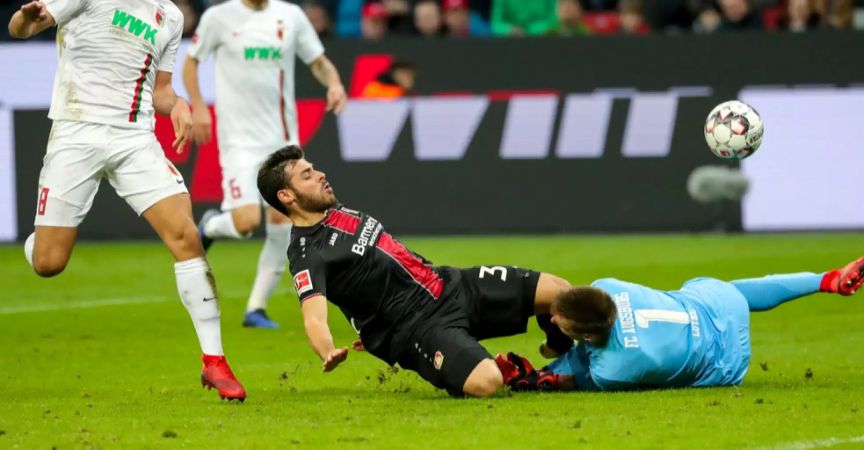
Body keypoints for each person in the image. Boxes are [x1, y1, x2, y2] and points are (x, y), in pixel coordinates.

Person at [8, 0, 245, 400]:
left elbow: (162, 90)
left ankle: (215, 361)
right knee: (49, 263)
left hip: (134, 139)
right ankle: (38, 240)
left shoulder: (169, 16)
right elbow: (25, 28)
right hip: (77, 133)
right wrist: (23, 19)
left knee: (186, 237)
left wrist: (181, 104)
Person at [256, 146, 577, 397]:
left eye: (314, 168)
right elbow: (313, 316)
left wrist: (369, 323)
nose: (321, 174)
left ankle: (559, 348)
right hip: (419, 328)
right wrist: (328, 350)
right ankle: (521, 375)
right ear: (287, 196)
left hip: (450, 285)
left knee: (562, 293)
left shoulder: (333, 209)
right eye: (307, 175)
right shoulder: (306, 252)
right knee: (487, 383)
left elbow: (367, 275)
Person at [495, 248, 864, 391]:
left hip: (725, 365)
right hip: (716, 308)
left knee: (576, 366)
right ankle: (825, 280)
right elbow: (585, 313)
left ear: (584, 332)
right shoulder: (610, 286)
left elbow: (575, 377)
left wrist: (542, 374)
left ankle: (534, 374)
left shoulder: (613, 369)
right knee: (732, 291)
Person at [183, 0, 347, 329]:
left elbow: (317, 61)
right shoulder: (219, 17)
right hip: (239, 141)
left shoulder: (291, 15)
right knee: (245, 223)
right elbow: (190, 63)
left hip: (282, 142)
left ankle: (256, 308)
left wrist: (334, 82)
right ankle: (212, 225)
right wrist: (198, 106)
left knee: (283, 222)